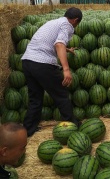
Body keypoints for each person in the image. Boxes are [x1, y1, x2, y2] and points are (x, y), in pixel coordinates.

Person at [21, 7, 83, 137]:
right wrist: (66, 69)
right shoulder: (67, 25)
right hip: (42, 63)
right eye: (77, 24)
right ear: (76, 20)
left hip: (27, 61)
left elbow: (48, 42)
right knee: (61, 94)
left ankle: (28, 129)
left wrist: (67, 49)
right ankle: (72, 125)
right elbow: (59, 43)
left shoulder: (54, 22)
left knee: (35, 98)